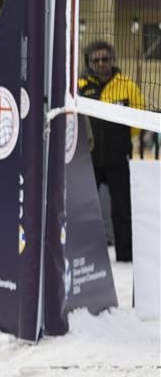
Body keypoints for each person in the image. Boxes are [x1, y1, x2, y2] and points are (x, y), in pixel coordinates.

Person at [78, 40, 145, 262]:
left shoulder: (127, 86)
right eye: (95, 60)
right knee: (84, 209)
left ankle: (125, 256)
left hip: (118, 158)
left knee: (122, 210)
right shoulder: (80, 87)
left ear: (113, 60)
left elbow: (138, 122)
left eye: (105, 59)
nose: (100, 63)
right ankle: (84, 256)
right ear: (89, 62)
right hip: (89, 159)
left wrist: (120, 142)